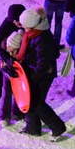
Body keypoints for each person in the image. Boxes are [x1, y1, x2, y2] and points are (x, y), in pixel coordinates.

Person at [15, 8, 66, 139]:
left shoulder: (42, 39)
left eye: (24, 24)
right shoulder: (34, 33)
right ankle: (33, 128)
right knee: (30, 100)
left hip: (43, 74)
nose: (22, 26)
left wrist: (31, 79)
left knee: (37, 102)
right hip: (33, 71)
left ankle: (58, 127)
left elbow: (43, 64)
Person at [0, 4, 26, 127]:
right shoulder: (7, 23)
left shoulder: (27, 24)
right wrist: (5, 57)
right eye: (14, 21)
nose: (16, 23)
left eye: (17, 20)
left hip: (21, 59)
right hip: (6, 55)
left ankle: (18, 111)